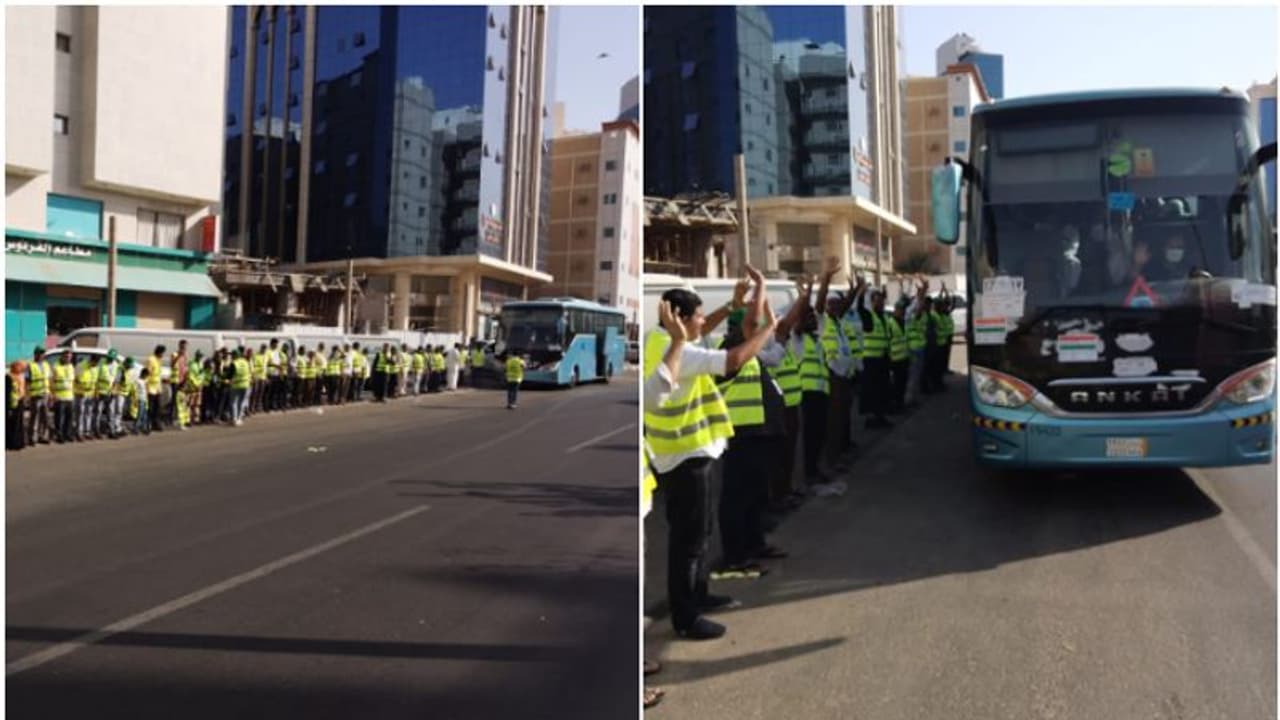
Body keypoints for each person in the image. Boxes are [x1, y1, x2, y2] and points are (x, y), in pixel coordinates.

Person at [644, 282, 775, 641]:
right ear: (680, 319)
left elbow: (701, 331)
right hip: (687, 454)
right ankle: (686, 617)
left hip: (681, 454)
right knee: (689, 541)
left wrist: (730, 306)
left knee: (697, 535)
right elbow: (732, 360)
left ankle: (698, 595)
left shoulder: (660, 340)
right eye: (699, 316)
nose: (704, 322)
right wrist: (767, 331)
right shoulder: (680, 352)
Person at [711, 267, 785, 580]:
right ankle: (735, 557)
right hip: (741, 434)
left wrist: (762, 300)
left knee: (756, 493)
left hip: (758, 433)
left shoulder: (746, 352)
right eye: (747, 327)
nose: (754, 331)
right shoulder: (730, 350)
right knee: (737, 498)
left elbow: (763, 326)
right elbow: (756, 324)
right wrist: (762, 286)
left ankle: (755, 544)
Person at [854, 284, 893, 429]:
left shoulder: (884, 317)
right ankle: (870, 419)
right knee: (871, 390)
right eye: (877, 301)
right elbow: (860, 309)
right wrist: (860, 294)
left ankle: (880, 416)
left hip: (883, 359)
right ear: (872, 302)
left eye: (881, 301)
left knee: (882, 389)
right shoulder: (869, 317)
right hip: (871, 360)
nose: (880, 303)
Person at [26, 347, 53, 446]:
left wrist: (50, 394)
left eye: (42, 353)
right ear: (35, 354)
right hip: (35, 395)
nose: (42, 355)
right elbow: (27, 382)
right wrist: (27, 396)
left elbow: (49, 380)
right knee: (34, 418)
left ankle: (43, 436)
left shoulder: (46, 365)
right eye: (40, 353)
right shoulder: (30, 366)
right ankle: (32, 438)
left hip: (45, 394)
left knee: (45, 417)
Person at [887, 299, 910, 414]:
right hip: (894, 360)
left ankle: (900, 404)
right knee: (894, 386)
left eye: (903, 309)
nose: (902, 312)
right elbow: (887, 342)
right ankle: (894, 406)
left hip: (904, 358)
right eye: (900, 309)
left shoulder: (904, 322)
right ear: (895, 310)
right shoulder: (890, 323)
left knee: (902, 384)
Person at [73, 353, 100, 441]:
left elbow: (96, 381)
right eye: (94, 363)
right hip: (81, 394)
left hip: (90, 394)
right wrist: (81, 389)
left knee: (88, 413)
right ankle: (79, 432)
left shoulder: (96, 368)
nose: (95, 365)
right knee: (80, 413)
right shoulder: (81, 366)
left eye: (96, 363)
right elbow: (76, 380)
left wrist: (96, 392)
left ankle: (87, 432)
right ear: (91, 360)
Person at [94, 350, 121, 437]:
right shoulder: (101, 363)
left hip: (110, 393)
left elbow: (117, 381)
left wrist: (114, 392)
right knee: (98, 412)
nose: (110, 359)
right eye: (109, 357)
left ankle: (111, 431)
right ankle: (96, 430)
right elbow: (95, 377)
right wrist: (96, 391)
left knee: (111, 412)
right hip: (100, 392)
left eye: (111, 358)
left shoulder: (116, 365)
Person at [52, 351, 76, 443]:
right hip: (59, 396)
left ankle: (67, 434)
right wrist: (53, 395)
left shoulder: (71, 366)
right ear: (62, 356)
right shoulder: (56, 366)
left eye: (69, 357)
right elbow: (51, 382)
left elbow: (72, 381)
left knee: (69, 417)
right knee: (59, 418)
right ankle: (59, 435)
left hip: (70, 396)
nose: (68, 358)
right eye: (66, 357)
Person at [8, 360, 27, 451]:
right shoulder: (9, 377)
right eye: (20, 366)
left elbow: (23, 388)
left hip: (20, 400)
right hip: (12, 403)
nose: (22, 368)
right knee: (13, 424)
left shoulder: (21, 376)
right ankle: (13, 443)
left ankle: (20, 442)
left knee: (19, 423)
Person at [147, 345, 166, 433]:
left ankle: (156, 423)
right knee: (150, 408)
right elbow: (148, 373)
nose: (163, 355)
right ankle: (149, 424)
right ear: (159, 352)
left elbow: (158, 374)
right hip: (151, 387)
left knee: (158, 407)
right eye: (162, 353)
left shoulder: (159, 360)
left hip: (157, 387)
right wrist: (146, 387)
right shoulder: (151, 360)